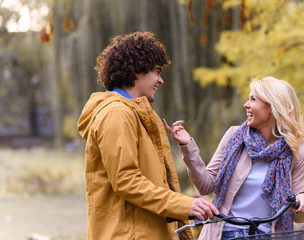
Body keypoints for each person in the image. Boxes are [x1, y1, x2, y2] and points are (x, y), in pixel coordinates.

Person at [77, 31, 218, 240]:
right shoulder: (117, 113)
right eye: (157, 72)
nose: (161, 81)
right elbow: (126, 180)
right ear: (136, 71)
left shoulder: (136, 114)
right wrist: (185, 205)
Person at [164, 77, 304, 240]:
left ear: (272, 107)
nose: (246, 104)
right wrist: (188, 146)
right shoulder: (234, 136)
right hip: (223, 234)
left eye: (253, 99)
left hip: (267, 236)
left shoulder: (298, 152)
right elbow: (206, 186)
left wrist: (303, 200)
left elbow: (298, 216)